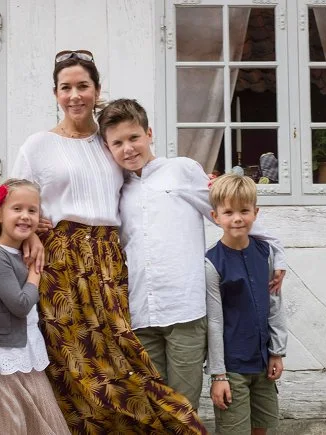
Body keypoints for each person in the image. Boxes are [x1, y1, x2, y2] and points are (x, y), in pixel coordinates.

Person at [11, 50, 206, 434]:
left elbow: (152, 183)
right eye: (65, 87)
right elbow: (11, 202)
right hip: (59, 266)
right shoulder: (37, 146)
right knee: (76, 368)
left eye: (83, 86)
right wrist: (31, 231)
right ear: (56, 94)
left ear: (97, 90)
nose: (74, 95)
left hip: (108, 265)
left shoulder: (110, 144)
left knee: (123, 362)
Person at [96, 98, 287, 412]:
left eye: (134, 138)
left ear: (149, 133)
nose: (128, 148)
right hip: (141, 311)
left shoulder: (181, 170)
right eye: (117, 143)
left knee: (183, 406)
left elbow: (230, 212)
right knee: (153, 406)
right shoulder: (117, 188)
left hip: (185, 309)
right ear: (107, 147)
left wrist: (276, 251)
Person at [0, 178, 69, 435]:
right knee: (9, 423)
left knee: (38, 418)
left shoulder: (22, 251)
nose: (25, 216)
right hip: (4, 354)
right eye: (17, 209)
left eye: (32, 210)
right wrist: (35, 274)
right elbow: (20, 304)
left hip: (27, 349)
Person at [205, 174, 288, 435]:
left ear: (256, 212)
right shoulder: (211, 262)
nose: (237, 218)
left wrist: (276, 352)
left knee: (264, 429)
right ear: (215, 216)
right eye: (228, 212)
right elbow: (214, 321)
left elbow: (274, 304)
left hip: (263, 365)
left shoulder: (266, 254)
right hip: (232, 369)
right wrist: (218, 375)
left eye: (244, 210)